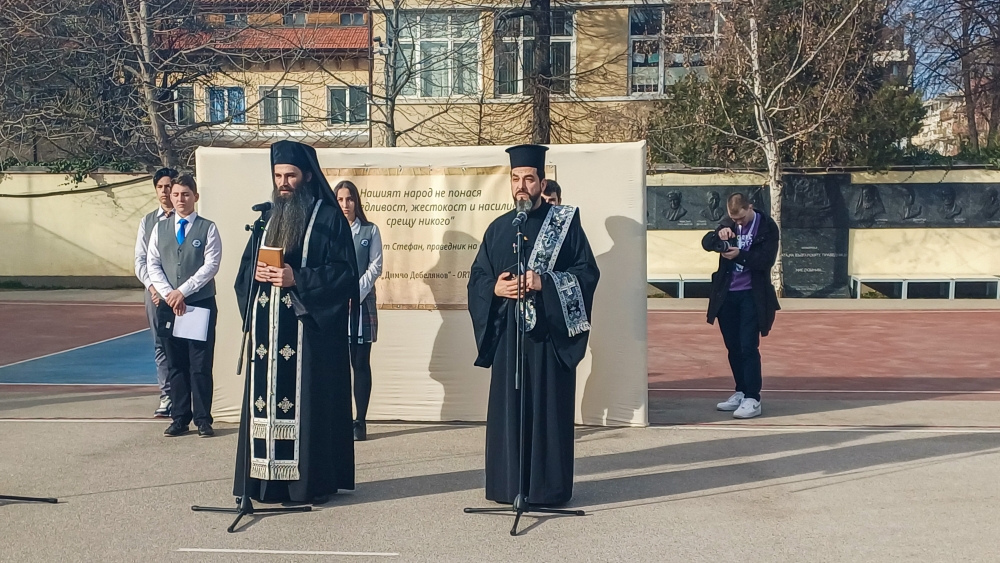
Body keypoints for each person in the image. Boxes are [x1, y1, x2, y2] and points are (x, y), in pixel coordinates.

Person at [468, 144, 600, 506]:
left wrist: (545, 283)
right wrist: (495, 288)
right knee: (509, 408)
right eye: (515, 179)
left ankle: (546, 489)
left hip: (548, 339)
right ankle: (508, 487)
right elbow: (477, 278)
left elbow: (586, 273)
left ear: (542, 182)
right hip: (511, 337)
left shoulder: (566, 224)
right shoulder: (497, 229)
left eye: (529, 178)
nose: (521, 185)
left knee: (547, 409)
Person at [233, 140, 359, 504]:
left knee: (305, 406)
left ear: (306, 176)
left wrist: (297, 279)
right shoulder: (266, 219)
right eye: (278, 176)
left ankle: (307, 484)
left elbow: (345, 274)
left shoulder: (329, 217)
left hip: (308, 338)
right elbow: (243, 274)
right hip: (267, 338)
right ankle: (263, 481)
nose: (283, 182)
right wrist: (254, 273)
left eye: (290, 175)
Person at [146, 174, 222, 437]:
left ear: (196, 197)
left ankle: (203, 419)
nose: (180, 199)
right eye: (176, 194)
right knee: (175, 362)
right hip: (169, 305)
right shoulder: (160, 228)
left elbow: (210, 266)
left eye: (186, 194)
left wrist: (183, 291)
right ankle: (180, 418)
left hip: (199, 304)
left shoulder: (208, 228)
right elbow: (152, 263)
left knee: (199, 364)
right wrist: (169, 294)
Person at [701, 193, 780, 419]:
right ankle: (741, 390)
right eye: (734, 220)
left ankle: (753, 397)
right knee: (733, 346)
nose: (738, 224)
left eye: (742, 219)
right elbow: (706, 243)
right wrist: (718, 233)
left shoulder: (767, 227)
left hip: (752, 295)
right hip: (727, 294)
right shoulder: (728, 224)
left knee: (748, 346)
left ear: (750, 208)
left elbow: (766, 260)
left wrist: (740, 255)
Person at [333, 180, 383, 442]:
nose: (345, 205)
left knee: (360, 363)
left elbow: (375, 267)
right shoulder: (330, 232)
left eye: (349, 199)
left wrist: (355, 293)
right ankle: (338, 419)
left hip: (361, 304)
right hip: (336, 305)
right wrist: (340, 294)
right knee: (337, 364)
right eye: (340, 200)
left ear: (356, 202)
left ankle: (359, 421)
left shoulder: (370, 230)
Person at [135, 167, 177, 418]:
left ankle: (186, 396)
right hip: (155, 296)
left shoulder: (188, 219)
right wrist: (153, 288)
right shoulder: (148, 221)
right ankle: (166, 395)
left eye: (168, 186)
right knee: (161, 344)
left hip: (183, 294)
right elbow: (140, 261)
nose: (165, 191)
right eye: (160, 187)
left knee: (185, 345)